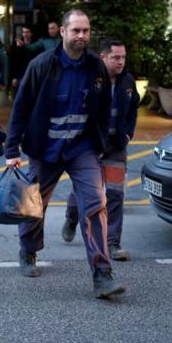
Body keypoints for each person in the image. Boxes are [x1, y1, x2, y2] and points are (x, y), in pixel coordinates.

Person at [5, 9, 126, 299]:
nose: (82, 36)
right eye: (76, 31)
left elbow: (103, 104)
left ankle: (102, 274)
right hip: (45, 150)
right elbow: (20, 108)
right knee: (33, 205)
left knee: (96, 204)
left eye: (86, 31)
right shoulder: (41, 65)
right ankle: (28, 250)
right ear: (62, 32)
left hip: (81, 149)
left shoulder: (96, 67)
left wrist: (101, 143)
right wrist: (11, 150)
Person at [61, 38, 140, 262]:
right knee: (83, 193)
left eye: (123, 57)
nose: (120, 62)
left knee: (115, 194)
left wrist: (128, 133)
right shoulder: (89, 78)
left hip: (116, 147)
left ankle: (113, 243)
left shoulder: (128, 82)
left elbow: (134, 107)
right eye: (115, 57)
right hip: (89, 147)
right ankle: (71, 217)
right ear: (103, 57)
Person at [9, 25, 39, 91]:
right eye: (23, 32)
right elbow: (13, 63)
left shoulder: (36, 46)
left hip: (33, 76)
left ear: (31, 33)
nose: (25, 34)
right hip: (19, 77)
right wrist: (13, 77)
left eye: (27, 32)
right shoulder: (16, 46)